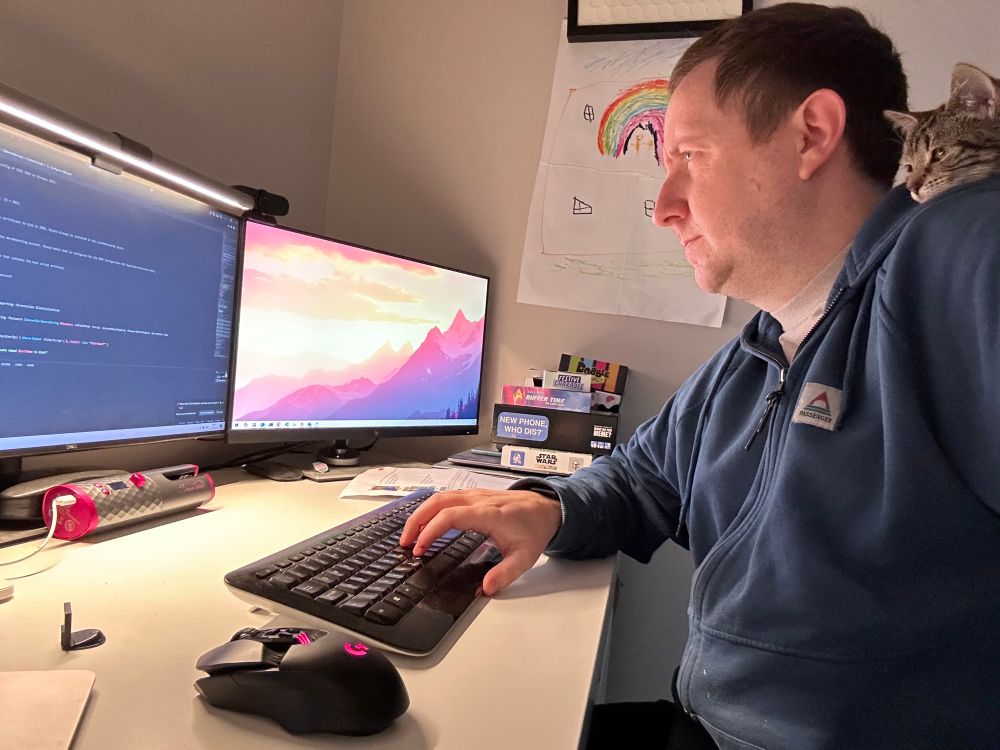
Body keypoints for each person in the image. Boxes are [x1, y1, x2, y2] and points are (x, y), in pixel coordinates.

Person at [401, 4, 1000, 748]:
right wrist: (551, 511)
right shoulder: (752, 357)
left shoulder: (962, 249)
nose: (663, 208)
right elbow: (643, 479)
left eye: (689, 155)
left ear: (811, 134)